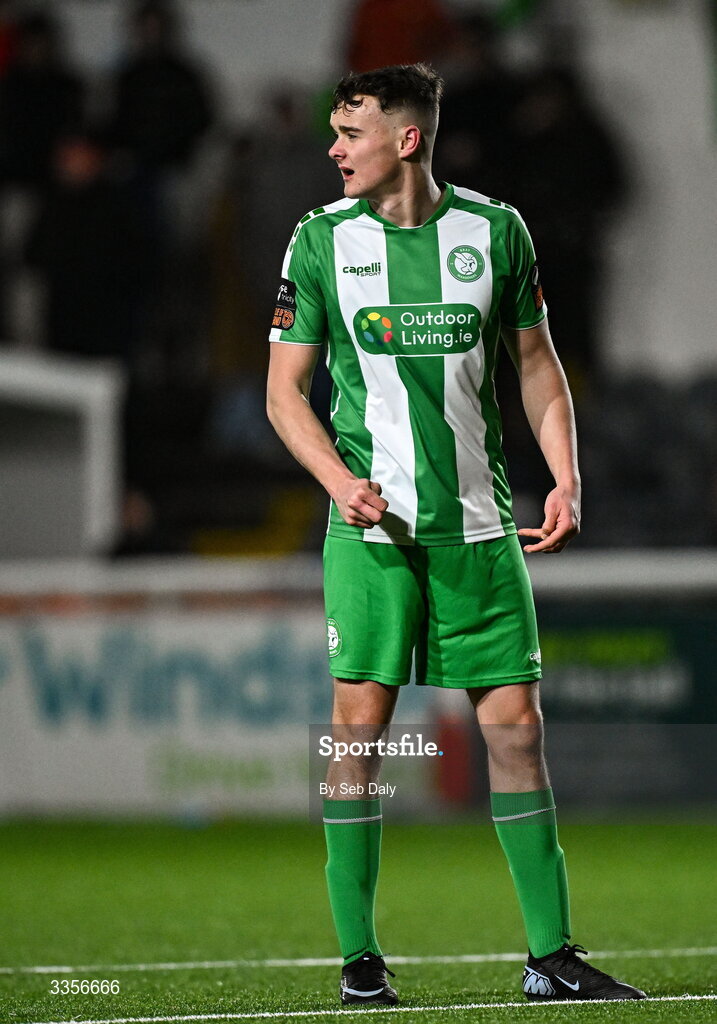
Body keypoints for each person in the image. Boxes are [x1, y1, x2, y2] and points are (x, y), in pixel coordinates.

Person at [266, 63, 645, 1006]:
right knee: (359, 737)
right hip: (373, 538)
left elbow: (537, 366)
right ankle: (359, 961)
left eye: (348, 133)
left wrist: (566, 472)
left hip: (480, 531)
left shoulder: (495, 231)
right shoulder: (319, 241)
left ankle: (550, 959)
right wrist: (337, 479)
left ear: (406, 140)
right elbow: (283, 392)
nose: (332, 149)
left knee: (517, 735)